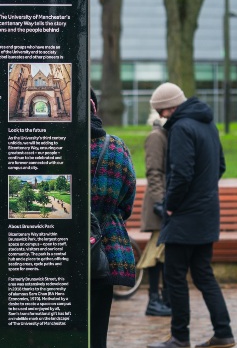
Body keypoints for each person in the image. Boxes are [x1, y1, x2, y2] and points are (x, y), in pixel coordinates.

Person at [147, 83, 234, 348]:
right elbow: (220, 165)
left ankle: (179, 337)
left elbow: (181, 173)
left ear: (171, 106)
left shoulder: (182, 127)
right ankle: (223, 332)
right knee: (203, 275)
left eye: (162, 112)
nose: (162, 118)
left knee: (174, 276)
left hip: (184, 217)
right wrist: (202, 191)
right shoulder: (208, 124)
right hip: (206, 213)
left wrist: (170, 205)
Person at [89, 89, 137, 348]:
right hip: (104, 250)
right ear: (94, 108)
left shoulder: (54, 143)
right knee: (97, 332)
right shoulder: (116, 147)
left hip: (54, 251)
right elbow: (127, 198)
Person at [139, 105, 171, 318]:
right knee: (156, 251)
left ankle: (162, 298)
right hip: (160, 205)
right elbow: (154, 172)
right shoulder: (157, 136)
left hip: (165, 203)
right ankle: (154, 299)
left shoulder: (164, 134)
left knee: (163, 253)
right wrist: (161, 203)